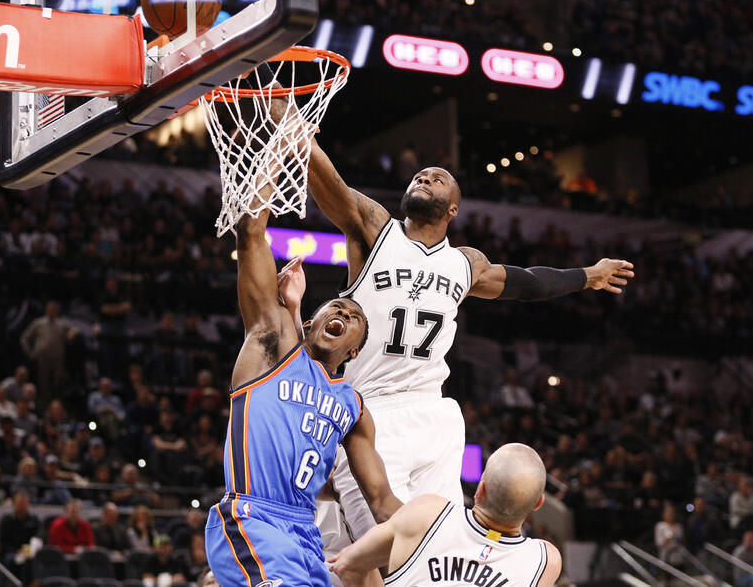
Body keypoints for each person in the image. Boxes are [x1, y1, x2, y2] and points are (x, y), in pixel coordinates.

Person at [304, 137, 634, 555]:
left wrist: (589, 275)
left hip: (434, 410)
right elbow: (331, 186)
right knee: (383, 549)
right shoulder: (377, 232)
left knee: (438, 549)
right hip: (372, 409)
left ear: (453, 209)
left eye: (437, 178)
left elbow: (529, 283)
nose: (425, 178)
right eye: (419, 176)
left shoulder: (465, 263)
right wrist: (299, 135)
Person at [203, 196, 400, 587]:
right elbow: (250, 231)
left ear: (355, 351)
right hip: (255, 517)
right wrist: (271, 166)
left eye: (355, 317)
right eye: (337, 307)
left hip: (307, 536)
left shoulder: (354, 408)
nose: (344, 313)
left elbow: (381, 501)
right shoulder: (270, 349)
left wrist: (433, 536)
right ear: (310, 323)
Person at [329, 443, 562, 587]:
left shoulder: (427, 513)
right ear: (538, 503)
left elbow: (347, 565)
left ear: (480, 489)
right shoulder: (546, 560)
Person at [20, 301, 76, 411]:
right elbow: (24, 338)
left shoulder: (61, 324)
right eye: (50, 309)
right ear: (46, 310)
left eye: (54, 310)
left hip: (58, 360)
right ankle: (44, 409)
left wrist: (72, 333)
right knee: (43, 385)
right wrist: (29, 352)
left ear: (57, 311)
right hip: (42, 359)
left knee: (59, 383)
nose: (52, 311)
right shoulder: (39, 323)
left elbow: (75, 329)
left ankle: (57, 407)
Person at [0, 492, 42, 564]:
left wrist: (31, 548)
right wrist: (17, 551)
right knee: (13, 560)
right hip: (12, 552)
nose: (22, 507)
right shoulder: (6, 520)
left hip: (29, 551)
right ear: (14, 504)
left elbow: (39, 535)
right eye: (20, 504)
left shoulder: (34, 520)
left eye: (24, 504)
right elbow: (3, 543)